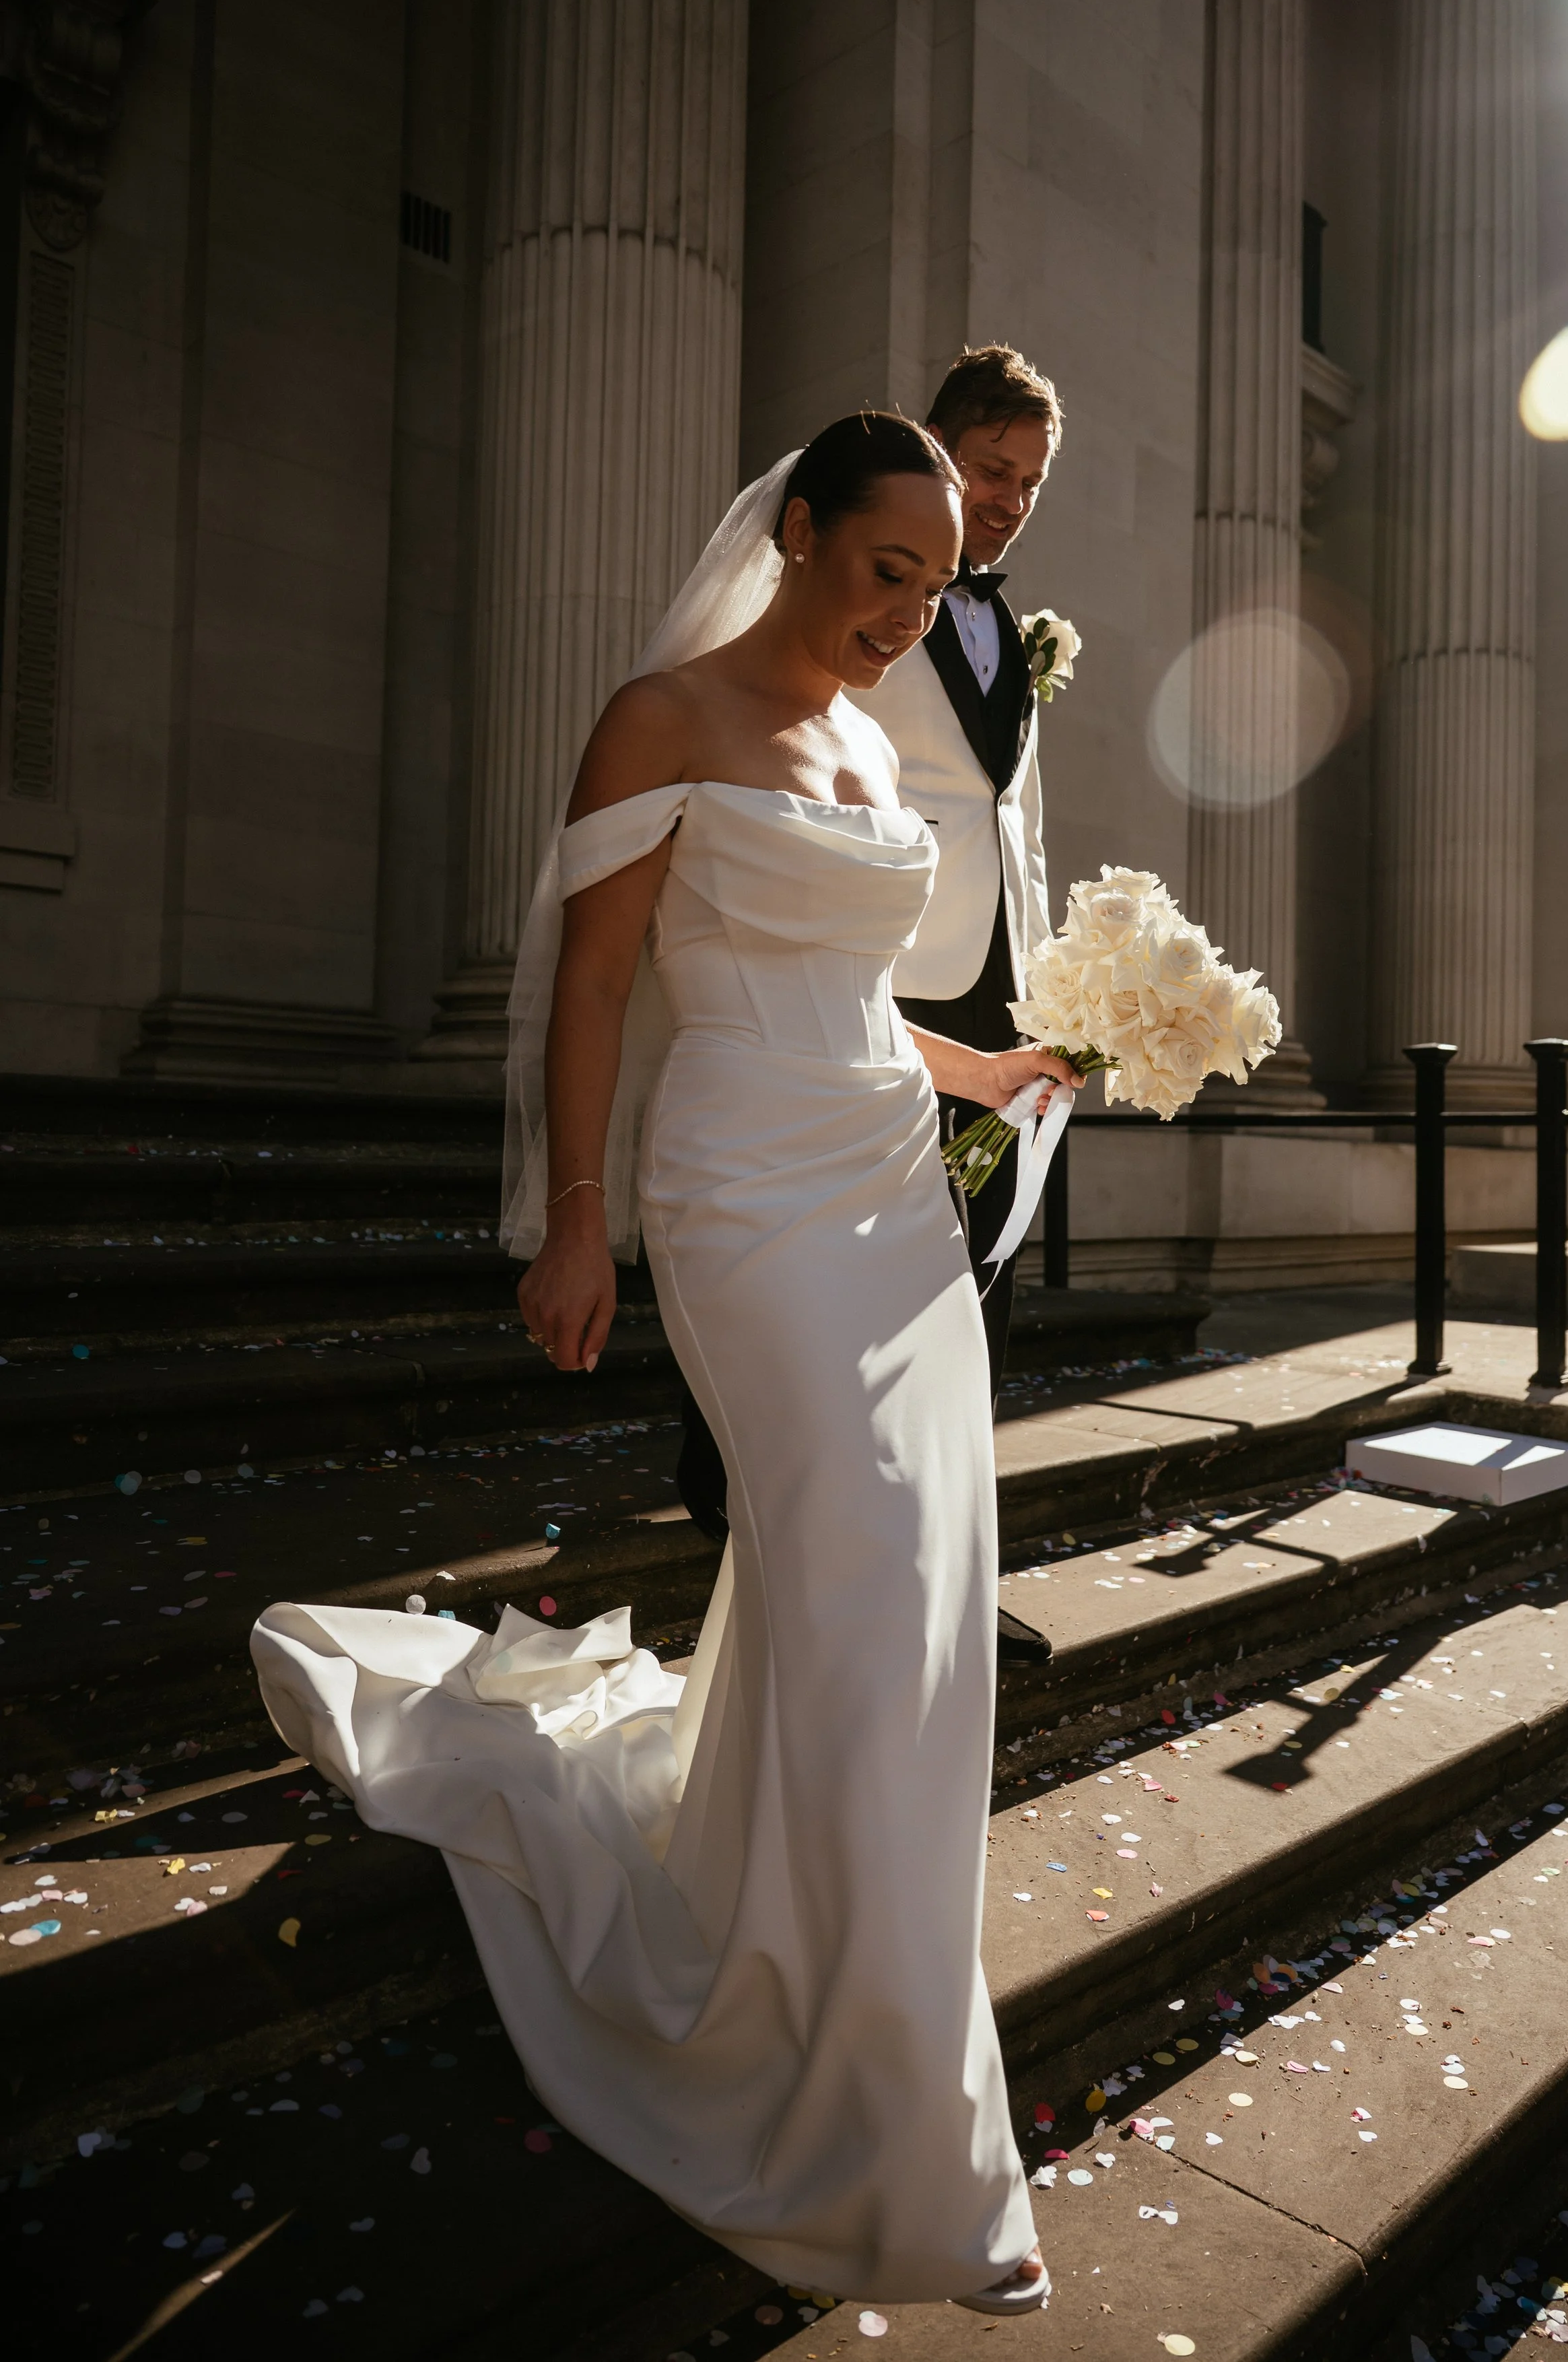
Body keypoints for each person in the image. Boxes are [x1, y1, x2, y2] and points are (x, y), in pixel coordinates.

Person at [250, 412, 1081, 2316]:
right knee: (864, 1579)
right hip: (740, 1192)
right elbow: (606, 976)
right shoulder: (660, 716)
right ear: (796, 534)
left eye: (936, 584)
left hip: (886, 1189)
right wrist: (575, 1217)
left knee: (905, 1598)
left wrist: (987, 1069)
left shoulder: (868, 736)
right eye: (884, 569)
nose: (907, 613)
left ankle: (831, 1978)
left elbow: (856, 988)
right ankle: (886, 2110)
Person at [674, 347, 1064, 1671]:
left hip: (998, 978)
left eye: (1030, 483)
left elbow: (1012, 809)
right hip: (870, 959)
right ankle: (745, 1485)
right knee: (835, 1248)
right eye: (993, 470)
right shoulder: (866, 597)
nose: (1010, 501)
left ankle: (939, 1543)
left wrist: (1050, 973)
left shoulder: (1011, 629)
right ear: (939, 456)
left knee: (975, 1268)